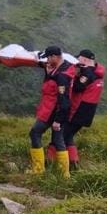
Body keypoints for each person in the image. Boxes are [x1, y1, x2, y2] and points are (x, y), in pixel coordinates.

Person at [29, 45, 77, 177]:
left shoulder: (61, 76)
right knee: (58, 140)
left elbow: (64, 100)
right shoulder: (64, 68)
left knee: (35, 133)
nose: (47, 62)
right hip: (55, 111)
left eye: (49, 58)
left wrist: (58, 120)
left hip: (53, 112)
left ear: (54, 57)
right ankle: (64, 175)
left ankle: (38, 169)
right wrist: (49, 74)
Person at [64, 49, 105, 171]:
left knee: (65, 135)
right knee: (68, 135)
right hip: (90, 109)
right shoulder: (99, 72)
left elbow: (78, 87)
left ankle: (71, 163)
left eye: (79, 58)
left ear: (85, 59)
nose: (77, 61)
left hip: (80, 108)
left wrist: (74, 76)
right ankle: (72, 163)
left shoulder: (87, 73)